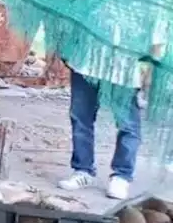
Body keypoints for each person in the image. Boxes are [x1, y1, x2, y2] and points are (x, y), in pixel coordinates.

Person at [57, 58, 149, 201]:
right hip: (86, 64)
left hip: (125, 68)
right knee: (81, 118)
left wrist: (149, 72)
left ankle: (121, 176)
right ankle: (82, 170)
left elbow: (157, 41)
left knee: (128, 125)